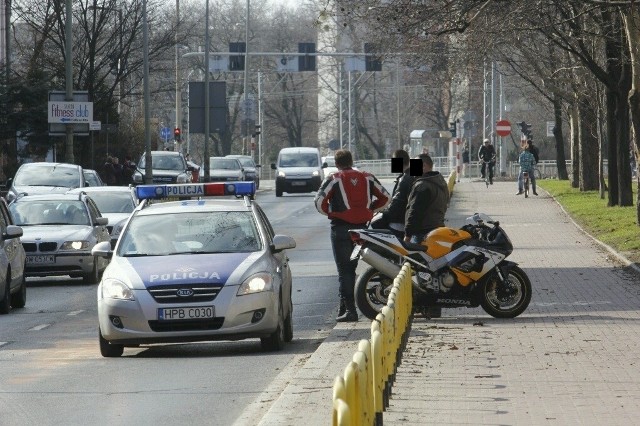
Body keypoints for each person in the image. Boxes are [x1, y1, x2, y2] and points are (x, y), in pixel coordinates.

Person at [315, 149, 390, 322]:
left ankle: (350, 310)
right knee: (352, 268)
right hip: (362, 230)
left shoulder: (333, 179)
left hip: (340, 229)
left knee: (344, 271)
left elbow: (319, 203)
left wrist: (332, 213)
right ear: (351, 160)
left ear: (336, 163)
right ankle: (344, 307)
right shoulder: (367, 177)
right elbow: (386, 197)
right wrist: (371, 210)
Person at [404, 153, 450, 244]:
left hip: (422, 233)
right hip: (438, 228)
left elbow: (415, 212)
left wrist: (407, 235)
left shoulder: (422, 185)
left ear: (424, 166)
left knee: (415, 258)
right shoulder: (440, 182)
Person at [371, 149, 414, 239]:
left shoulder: (404, 179)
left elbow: (397, 204)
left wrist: (383, 213)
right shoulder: (413, 175)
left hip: (399, 224)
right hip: (409, 222)